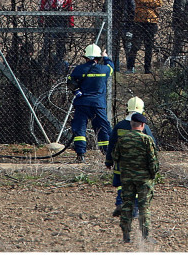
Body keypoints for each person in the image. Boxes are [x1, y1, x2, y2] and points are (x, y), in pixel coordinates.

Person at [106, 97, 157, 217]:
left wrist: (108, 161)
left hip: (121, 166)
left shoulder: (119, 126)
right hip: (138, 167)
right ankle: (134, 209)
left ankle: (120, 203)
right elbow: (153, 145)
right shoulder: (144, 128)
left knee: (121, 185)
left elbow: (111, 145)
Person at [111, 112, 158, 243]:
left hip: (127, 178)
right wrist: (153, 175)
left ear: (131, 125)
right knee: (144, 207)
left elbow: (115, 157)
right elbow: (153, 162)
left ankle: (126, 234)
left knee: (127, 205)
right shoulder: (146, 140)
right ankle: (146, 236)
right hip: (144, 179)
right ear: (142, 125)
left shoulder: (123, 139)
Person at [67, 44, 113, 163]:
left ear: (86, 57)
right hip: (98, 104)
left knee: (80, 128)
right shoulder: (104, 69)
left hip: (82, 103)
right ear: (98, 58)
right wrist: (106, 57)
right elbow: (111, 67)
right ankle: (106, 152)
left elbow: (70, 81)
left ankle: (80, 154)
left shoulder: (79, 69)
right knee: (102, 128)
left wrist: (76, 91)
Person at [38, 0, 74, 73]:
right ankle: (42, 67)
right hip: (50, 21)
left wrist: (71, 25)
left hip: (62, 22)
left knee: (60, 47)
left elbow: (70, 10)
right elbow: (42, 7)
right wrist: (41, 20)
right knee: (47, 45)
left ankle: (58, 69)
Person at [126, 0, 162, 74]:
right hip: (139, 21)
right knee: (135, 45)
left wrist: (147, 2)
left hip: (152, 21)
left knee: (149, 46)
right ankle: (130, 67)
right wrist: (152, 1)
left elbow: (159, 2)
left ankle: (147, 68)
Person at [110, 0, 135, 72]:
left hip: (126, 26)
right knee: (115, 50)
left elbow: (133, 12)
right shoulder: (111, 0)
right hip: (114, 27)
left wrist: (131, 26)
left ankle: (130, 68)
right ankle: (116, 69)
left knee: (128, 48)